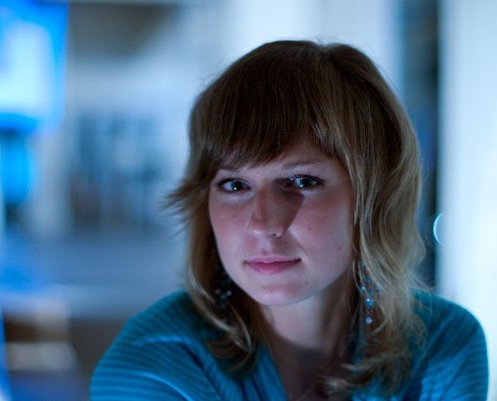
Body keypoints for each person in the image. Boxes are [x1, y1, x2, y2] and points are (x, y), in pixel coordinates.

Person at [90, 40, 488, 400]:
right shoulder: (151, 368)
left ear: (374, 196)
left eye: (302, 181)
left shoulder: (444, 346)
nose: (262, 224)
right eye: (234, 185)